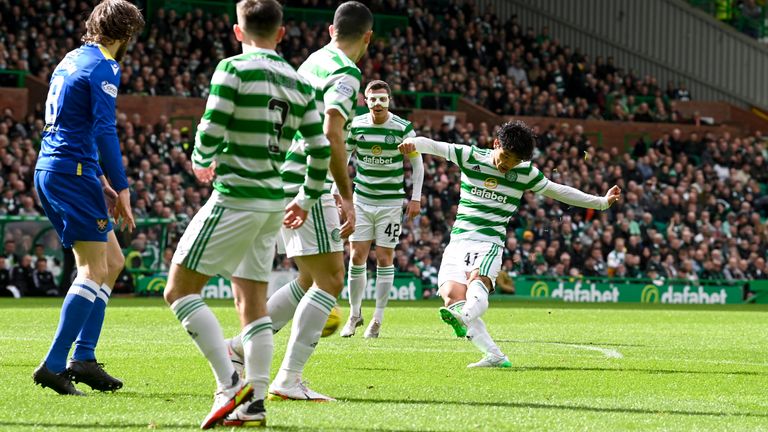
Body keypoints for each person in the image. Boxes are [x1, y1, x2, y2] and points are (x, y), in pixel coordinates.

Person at [162, 0, 329, 428]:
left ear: (238, 32)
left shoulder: (233, 69)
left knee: (179, 289)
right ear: (282, 34)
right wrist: (307, 198)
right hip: (274, 203)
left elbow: (211, 125)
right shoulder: (301, 83)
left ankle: (228, 382)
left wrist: (201, 158)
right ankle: (254, 402)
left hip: (236, 195)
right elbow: (320, 148)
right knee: (251, 303)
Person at [226, 0, 373, 402]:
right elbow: (332, 134)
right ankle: (288, 379)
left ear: (330, 30)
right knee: (330, 280)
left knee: (309, 279)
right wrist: (346, 195)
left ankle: (238, 347)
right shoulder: (345, 72)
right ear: (368, 38)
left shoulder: (312, 62)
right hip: (310, 180)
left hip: (283, 177)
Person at [398, 121, 621, 368]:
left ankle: (464, 317)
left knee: (477, 283)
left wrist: (601, 202)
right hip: (458, 240)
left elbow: (560, 191)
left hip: (489, 241)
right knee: (451, 296)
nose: (507, 165)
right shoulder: (470, 156)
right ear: (496, 144)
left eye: (514, 162)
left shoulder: (526, 173)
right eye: (505, 156)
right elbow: (434, 146)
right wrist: (413, 143)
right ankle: (494, 355)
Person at [32, 0, 143, 396]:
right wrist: (123, 186)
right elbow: (103, 130)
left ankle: (85, 357)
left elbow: (70, 123)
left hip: (64, 169)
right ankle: (54, 364)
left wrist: (100, 180)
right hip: (70, 173)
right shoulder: (105, 66)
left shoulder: (71, 59)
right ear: (126, 34)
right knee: (92, 270)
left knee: (111, 262)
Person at [340, 80, 424, 338]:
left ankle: (377, 318)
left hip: (390, 203)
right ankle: (355, 315)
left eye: (382, 99)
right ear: (365, 101)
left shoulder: (402, 128)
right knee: (356, 256)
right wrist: (339, 194)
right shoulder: (356, 125)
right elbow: (342, 160)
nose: (377, 104)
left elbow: (417, 165)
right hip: (362, 201)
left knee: (385, 257)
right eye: (373, 99)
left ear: (389, 101)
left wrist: (416, 197)